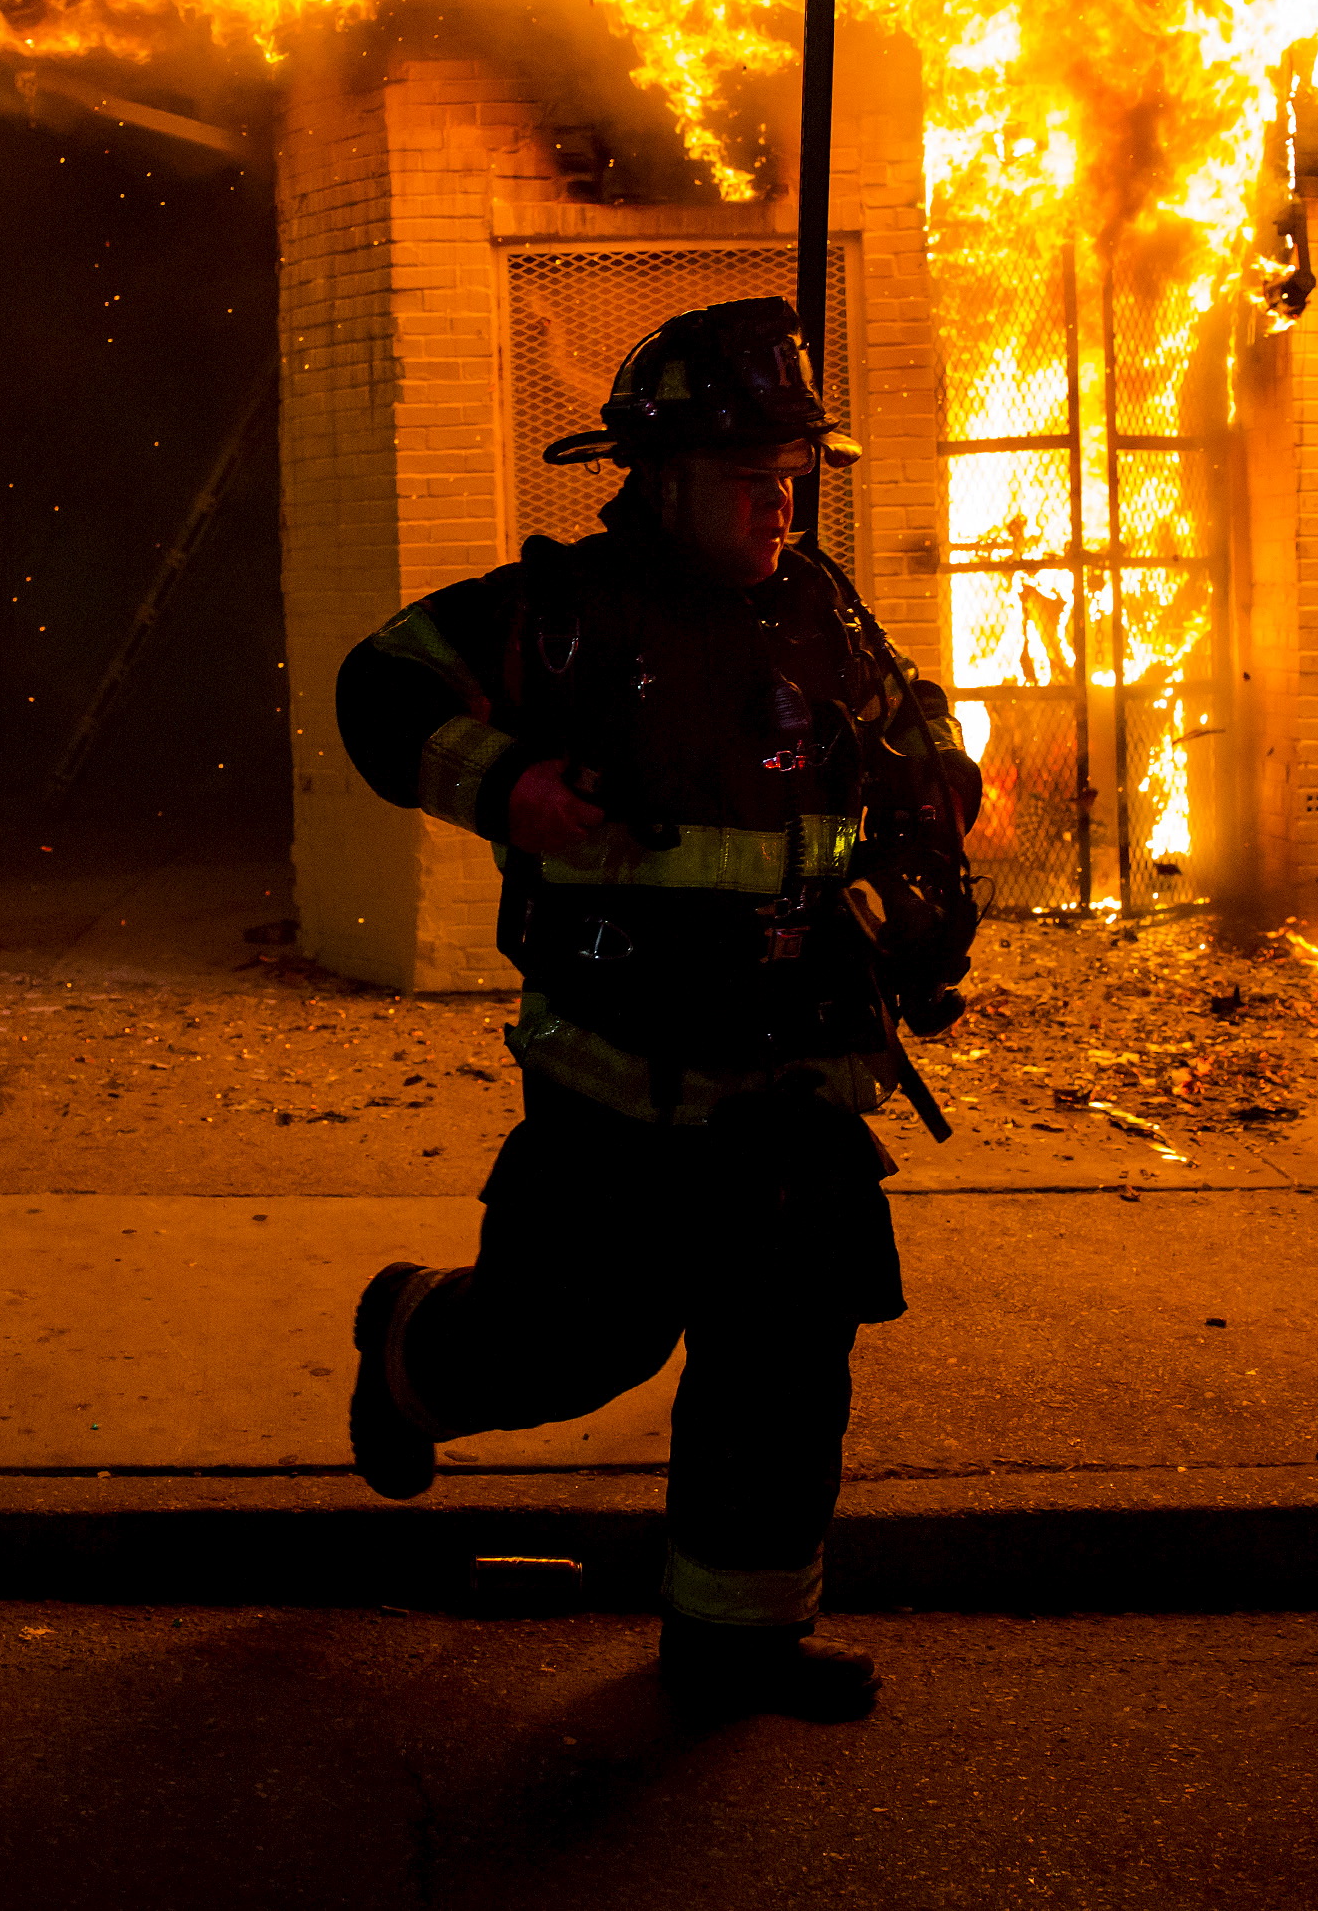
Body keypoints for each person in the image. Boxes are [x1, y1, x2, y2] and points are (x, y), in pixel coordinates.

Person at [330, 295, 980, 1722]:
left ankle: (737, 1641)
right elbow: (379, 688)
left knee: (785, 1361)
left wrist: (928, 863)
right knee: (577, 1345)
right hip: (619, 1094)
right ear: (665, 478)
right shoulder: (561, 620)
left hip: (796, 1085)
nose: (782, 500)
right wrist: (514, 788)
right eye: (753, 476)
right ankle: (414, 1344)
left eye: (794, 473)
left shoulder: (817, 604)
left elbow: (919, 730)